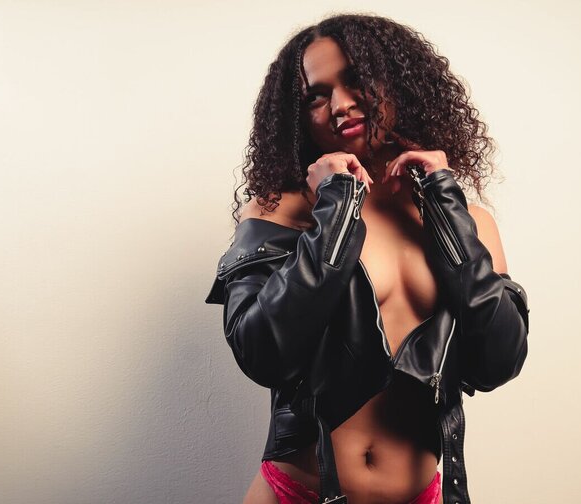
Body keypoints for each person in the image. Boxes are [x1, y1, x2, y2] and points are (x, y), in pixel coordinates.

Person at [206, 13, 530, 504]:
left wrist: (445, 207)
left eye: (356, 79)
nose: (339, 105)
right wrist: (336, 209)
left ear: (399, 83)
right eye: (316, 96)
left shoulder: (468, 220)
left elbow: (499, 362)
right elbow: (263, 354)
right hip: (298, 493)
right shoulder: (279, 211)